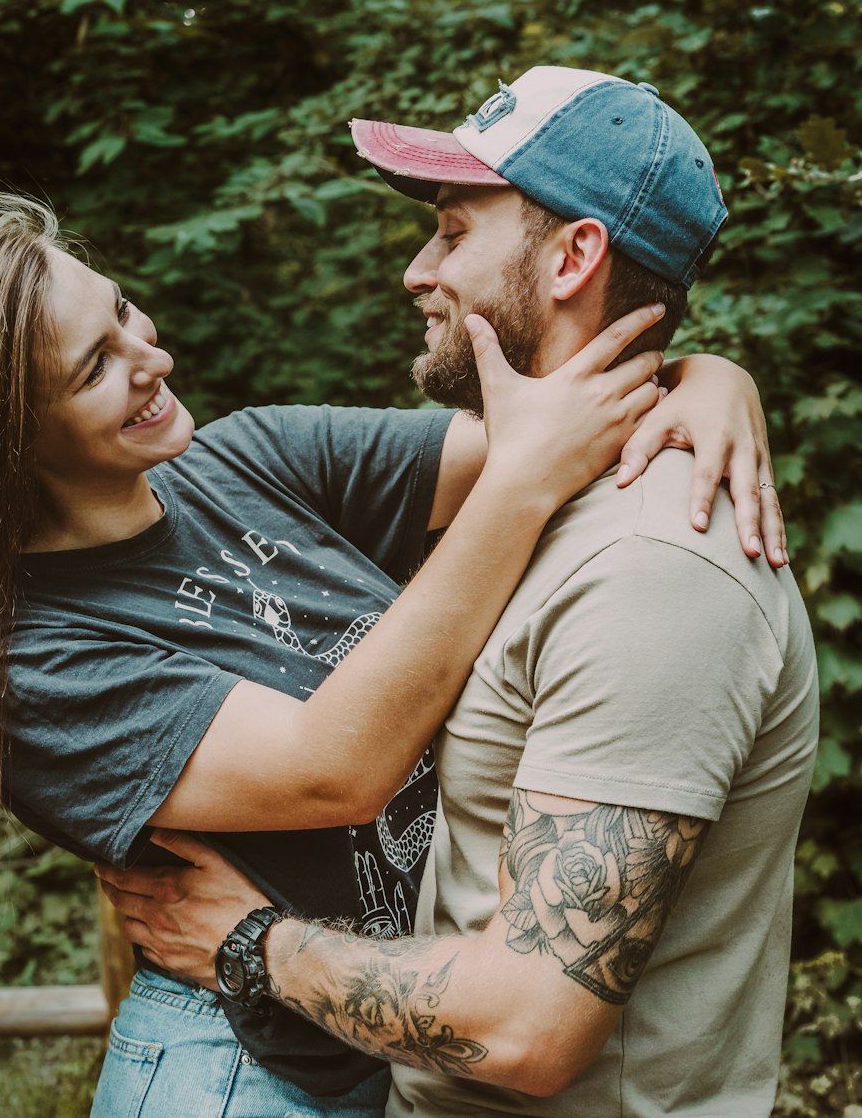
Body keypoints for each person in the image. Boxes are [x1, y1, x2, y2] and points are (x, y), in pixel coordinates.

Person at [97, 66, 819, 1118]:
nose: (414, 270)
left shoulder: (652, 572)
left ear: (574, 254)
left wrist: (249, 942)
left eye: (451, 231)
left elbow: (528, 1025)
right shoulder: (539, 496)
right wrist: (705, 370)